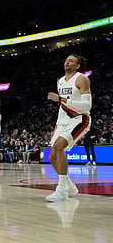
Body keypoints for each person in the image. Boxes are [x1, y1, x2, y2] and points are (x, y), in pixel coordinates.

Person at [46, 54, 91, 202]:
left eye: (71, 61)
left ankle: (61, 190)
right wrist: (57, 126)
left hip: (79, 119)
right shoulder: (60, 81)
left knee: (59, 147)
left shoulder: (81, 78)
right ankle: (69, 186)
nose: (67, 62)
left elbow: (87, 105)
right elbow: (63, 107)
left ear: (78, 65)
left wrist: (61, 99)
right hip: (63, 121)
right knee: (52, 156)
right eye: (66, 60)